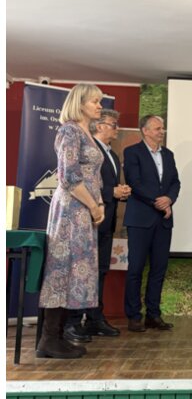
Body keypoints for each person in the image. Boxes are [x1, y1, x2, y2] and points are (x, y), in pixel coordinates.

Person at [37, 84, 105, 359]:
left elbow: (94, 177)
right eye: (95, 101)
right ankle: (48, 339)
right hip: (71, 211)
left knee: (74, 272)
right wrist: (93, 205)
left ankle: (59, 336)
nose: (100, 106)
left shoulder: (87, 133)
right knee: (62, 270)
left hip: (84, 211)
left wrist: (98, 205)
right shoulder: (69, 131)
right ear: (79, 103)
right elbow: (68, 176)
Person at [63, 109, 131, 342]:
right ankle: (73, 321)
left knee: (100, 271)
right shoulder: (89, 149)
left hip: (106, 219)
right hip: (88, 218)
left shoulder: (112, 155)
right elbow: (80, 181)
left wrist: (120, 192)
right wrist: (111, 192)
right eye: (113, 124)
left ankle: (94, 318)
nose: (117, 128)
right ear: (99, 126)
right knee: (82, 270)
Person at [123, 115, 181, 332]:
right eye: (157, 128)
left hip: (163, 221)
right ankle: (134, 316)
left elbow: (175, 182)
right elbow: (135, 183)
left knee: (158, 269)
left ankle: (153, 315)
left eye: (162, 128)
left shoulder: (168, 154)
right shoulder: (132, 152)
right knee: (136, 269)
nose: (161, 131)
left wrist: (170, 199)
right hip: (140, 219)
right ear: (145, 130)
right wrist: (159, 202)